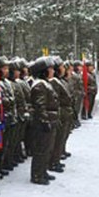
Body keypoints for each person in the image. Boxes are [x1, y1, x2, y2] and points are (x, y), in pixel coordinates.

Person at [29, 56, 59, 185]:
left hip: (50, 120)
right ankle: (37, 174)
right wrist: (44, 121)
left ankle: (43, 171)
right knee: (41, 149)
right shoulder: (39, 85)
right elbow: (40, 106)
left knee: (47, 148)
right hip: (42, 123)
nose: (53, 71)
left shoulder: (45, 83)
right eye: (50, 69)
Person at [48, 57, 73, 173]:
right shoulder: (54, 82)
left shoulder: (61, 81)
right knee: (57, 139)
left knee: (62, 138)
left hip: (65, 112)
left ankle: (56, 159)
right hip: (61, 113)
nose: (64, 69)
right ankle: (53, 161)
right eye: (62, 67)